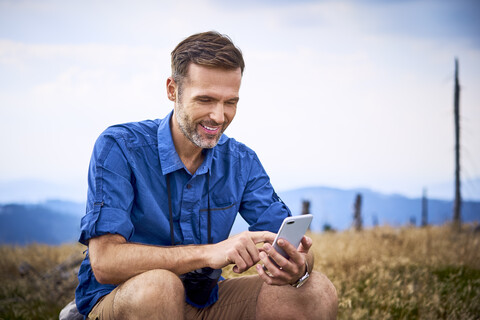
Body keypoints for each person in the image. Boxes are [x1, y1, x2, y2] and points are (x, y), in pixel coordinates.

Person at [75, 31, 338, 320]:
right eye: (206, 99)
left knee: (316, 292)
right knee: (159, 288)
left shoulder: (241, 161)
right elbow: (105, 262)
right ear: (172, 90)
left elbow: (291, 242)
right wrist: (211, 252)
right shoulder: (120, 146)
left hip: (205, 303)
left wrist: (299, 263)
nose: (219, 116)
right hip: (122, 301)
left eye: (230, 102)